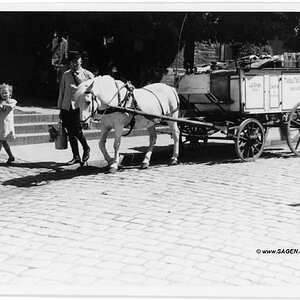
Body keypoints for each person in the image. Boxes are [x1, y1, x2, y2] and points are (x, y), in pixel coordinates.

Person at [57, 51, 94, 165]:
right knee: (70, 132)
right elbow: (62, 91)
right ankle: (76, 156)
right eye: (72, 62)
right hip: (67, 106)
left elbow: (92, 93)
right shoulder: (66, 75)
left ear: (81, 61)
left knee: (77, 131)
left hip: (79, 107)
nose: (74, 64)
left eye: (77, 62)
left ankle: (86, 148)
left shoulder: (88, 75)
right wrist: (60, 108)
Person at [0, 83, 17, 164]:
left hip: (6, 125)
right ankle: (11, 156)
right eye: (2, 92)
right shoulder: (0, 102)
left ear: (10, 93)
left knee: (1, 140)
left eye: (6, 92)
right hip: (0, 125)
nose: (4, 94)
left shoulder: (12, 101)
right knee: (3, 141)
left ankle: (11, 156)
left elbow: (10, 107)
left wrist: (2, 105)